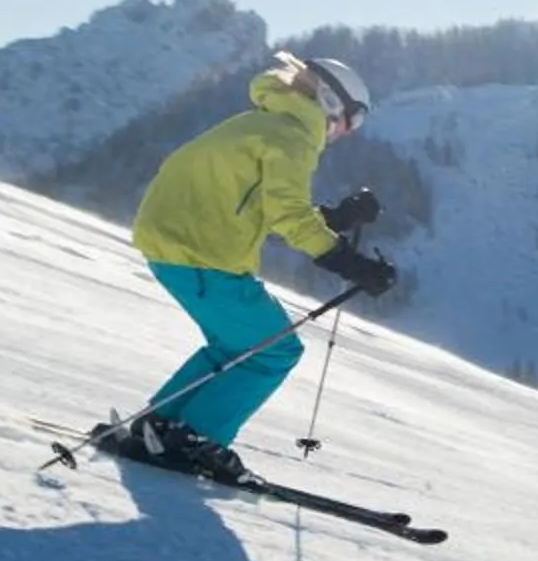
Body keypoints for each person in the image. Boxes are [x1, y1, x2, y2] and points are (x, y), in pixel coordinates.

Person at [98, 51, 397, 483]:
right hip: (201, 254)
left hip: (182, 247)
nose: (348, 133)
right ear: (332, 104)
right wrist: (352, 264)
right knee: (275, 349)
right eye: (354, 121)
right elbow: (288, 215)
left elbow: (257, 205)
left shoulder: (263, 122)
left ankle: (160, 427)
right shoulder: (293, 136)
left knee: (234, 347)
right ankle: (195, 439)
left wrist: (340, 218)